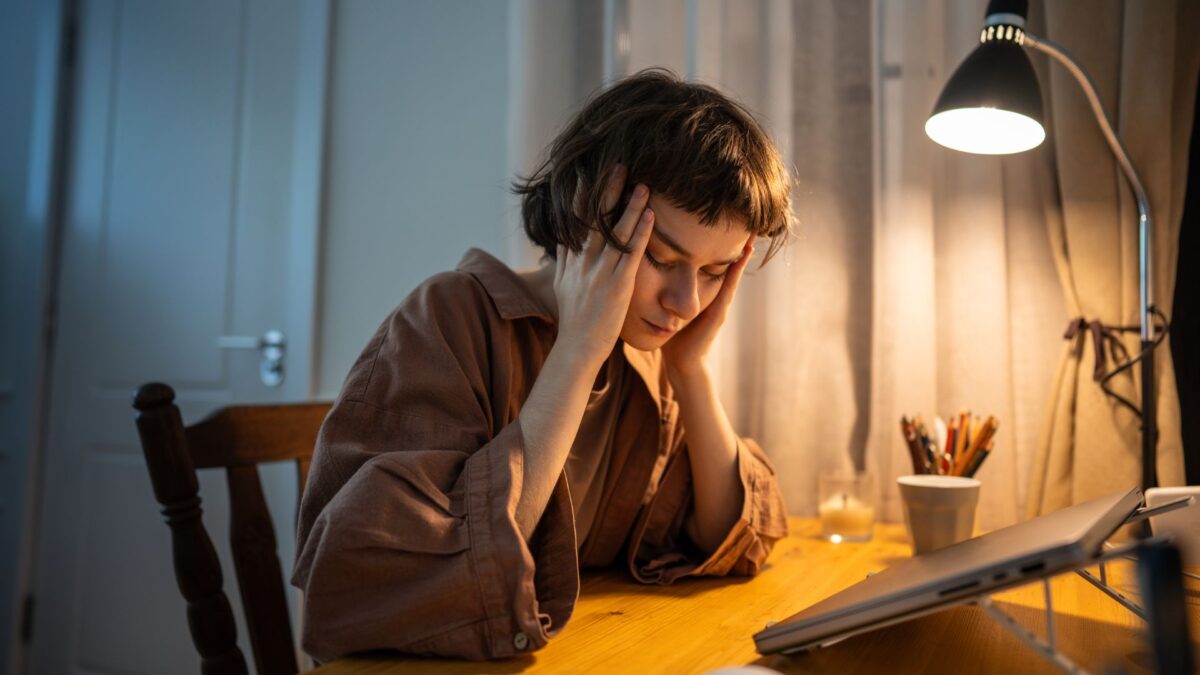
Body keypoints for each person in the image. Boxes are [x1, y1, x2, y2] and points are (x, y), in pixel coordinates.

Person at [292, 69, 794, 662]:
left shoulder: (649, 359)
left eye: (713, 273)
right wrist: (577, 350)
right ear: (584, 217)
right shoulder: (450, 320)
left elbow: (731, 535)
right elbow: (369, 582)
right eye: (661, 258)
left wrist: (691, 371)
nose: (686, 304)